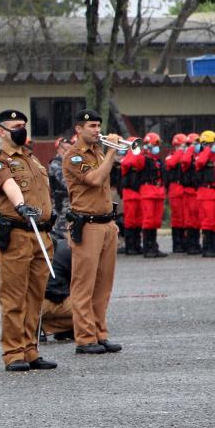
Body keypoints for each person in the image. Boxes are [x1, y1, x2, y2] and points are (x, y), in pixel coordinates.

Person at [0, 109, 57, 371]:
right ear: (2, 131)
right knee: (14, 297)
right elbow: (10, 186)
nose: (21, 129)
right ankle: (13, 352)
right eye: (15, 125)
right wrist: (21, 205)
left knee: (36, 296)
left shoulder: (32, 159)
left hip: (41, 234)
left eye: (24, 125)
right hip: (16, 234)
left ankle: (31, 349)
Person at [62, 109, 124, 355]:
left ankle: (100, 333)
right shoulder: (74, 156)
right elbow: (96, 180)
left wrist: (108, 152)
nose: (98, 130)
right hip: (87, 225)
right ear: (78, 129)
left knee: (103, 285)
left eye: (99, 125)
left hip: (107, 224)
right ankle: (85, 338)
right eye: (92, 127)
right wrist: (112, 152)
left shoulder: (98, 151)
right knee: (84, 284)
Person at [139, 133, 168, 257]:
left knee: (156, 221)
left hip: (158, 192)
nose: (158, 146)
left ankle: (154, 247)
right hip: (148, 191)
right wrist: (143, 150)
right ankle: (147, 247)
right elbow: (130, 162)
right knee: (148, 220)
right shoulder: (142, 158)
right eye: (155, 144)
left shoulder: (157, 160)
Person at [40, 238, 75, 341]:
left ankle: (40, 326)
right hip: (56, 299)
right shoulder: (71, 249)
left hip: (34, 306)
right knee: (90, 313)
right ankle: (64, 328)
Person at [194, 130, 215, 256]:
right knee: (208, 221)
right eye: (212, 143)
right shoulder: (201, 155)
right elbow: (199, 162)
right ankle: (207, 247)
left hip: (214, 194)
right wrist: (207, 149)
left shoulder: (214, 159)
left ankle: (213, 246)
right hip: (206, 193)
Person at [164, 134, 188, 253]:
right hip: (175, 189)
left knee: (185, 217)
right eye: (181, 145)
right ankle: (177, 244)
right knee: (177, 217)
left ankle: (185, 242)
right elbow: (171, 163)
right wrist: (180, 152)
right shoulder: (171, 156)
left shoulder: (187, 156)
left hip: (185, 189)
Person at [120, 138, 143, 255]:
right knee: (130, 221)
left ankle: (137, 244)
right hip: (130, 194)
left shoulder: (137, 156)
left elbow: (140, 164)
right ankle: (130, 246)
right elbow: (126, 163)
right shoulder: (126, 157)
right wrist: (132, 151)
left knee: (138, 221)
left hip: (139, 193)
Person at [181, 133, 202, 254]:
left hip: (197, 191)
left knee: (197, 219)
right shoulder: (186, 158)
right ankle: (191, 245)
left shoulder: (198, 157)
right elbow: (184, 160)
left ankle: (196, 244)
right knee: (190, 220)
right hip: (189, 192)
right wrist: (190, 148)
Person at [48, 137, 71, 241]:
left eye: (69, 148)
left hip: (70, 201)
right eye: (65, 149)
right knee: (60, 231)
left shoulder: (69, 163)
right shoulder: (56, 163)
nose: (67, 151)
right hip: (61, 203)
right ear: (59, 149)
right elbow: (66, 182)